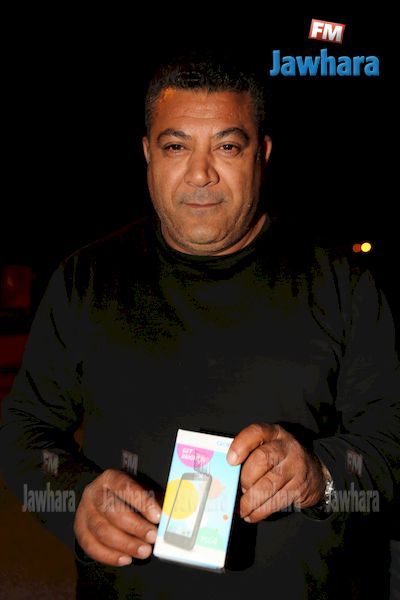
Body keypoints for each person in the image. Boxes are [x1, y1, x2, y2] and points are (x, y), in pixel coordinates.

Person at [1, 54, 399, 599]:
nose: (200, 173)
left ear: (261, 154)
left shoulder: (343, 284)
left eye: (227, 147)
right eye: (176, 146)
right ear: (148, 153)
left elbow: (389, 443)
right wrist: (74, 499)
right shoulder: (85, 280)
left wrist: (320, 476)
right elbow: (23, 430)